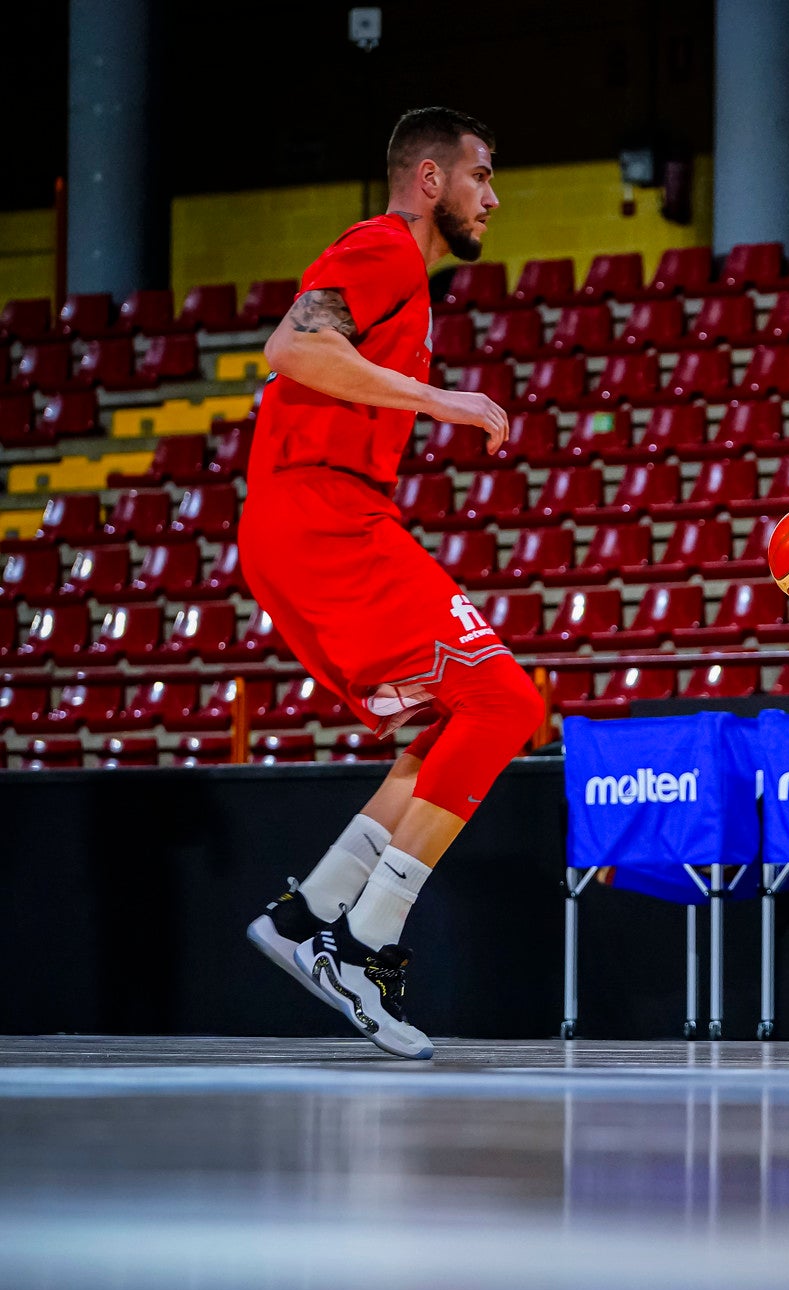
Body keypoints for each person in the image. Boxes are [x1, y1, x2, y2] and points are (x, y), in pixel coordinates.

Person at [240, 108, 540, 1060]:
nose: (491, 196)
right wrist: (437, 398)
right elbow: (289, 348)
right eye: (480, 175)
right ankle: (364, 942)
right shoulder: (385, 249)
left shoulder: (401, 272)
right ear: (428, 178)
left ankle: (307, 917)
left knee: (446, 731)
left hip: (305, 522)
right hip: (324, 517)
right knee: (504, 702)